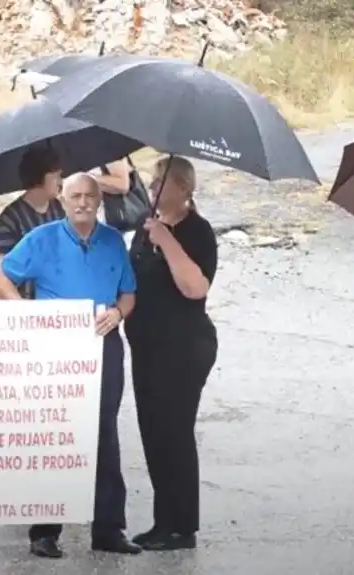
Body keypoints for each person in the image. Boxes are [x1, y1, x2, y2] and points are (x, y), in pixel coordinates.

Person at [0, 173, 142, 558]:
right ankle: (44, 531)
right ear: (62, 197)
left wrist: (119, 314)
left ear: (99, 200)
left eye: (91, 196)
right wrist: (22, 310)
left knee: (104, 433)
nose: (84, 203)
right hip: (55, 350)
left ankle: (108, 528)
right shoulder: (42, 239)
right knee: (56, 434)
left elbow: (129, 292)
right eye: (76, 196)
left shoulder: (112, 241)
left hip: (102, 345)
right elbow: (0, 273)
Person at [126, 155, 218, 551]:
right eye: (151, 179)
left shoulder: (198, 232)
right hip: (146, 345)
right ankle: (163, 520)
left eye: (161, 180)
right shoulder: (144, 229)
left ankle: (182, 526)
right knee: (152, 433)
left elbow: (196, 288)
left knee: (175, 432)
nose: (152, 186)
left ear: (183, 188)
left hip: (184, 346)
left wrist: (167, 241)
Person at [0, 146, 65, 299]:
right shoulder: (10, 220)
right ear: (39, 177)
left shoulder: (58, 209)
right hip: (23, 306)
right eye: (56, 176)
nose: (61, 182)